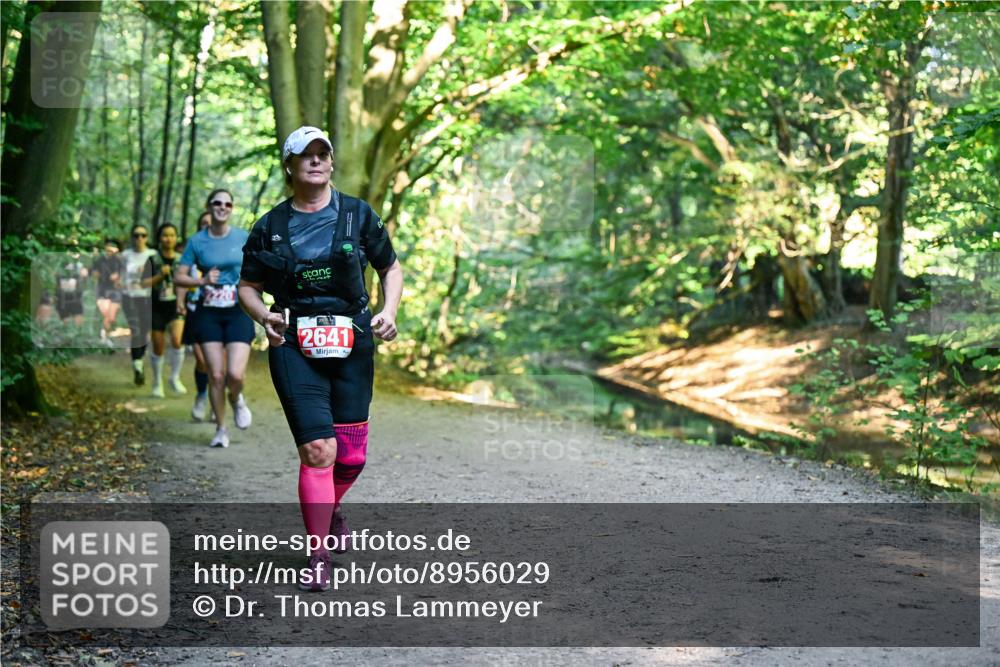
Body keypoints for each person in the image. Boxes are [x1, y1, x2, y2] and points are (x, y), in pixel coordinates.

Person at [239, 126, 403, 591]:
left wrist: (388, 312)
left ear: (331, 163)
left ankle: (329, 507)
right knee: (318, 451)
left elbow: (390, 266)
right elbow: (247, 287)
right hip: (294, 345)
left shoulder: (357, 215)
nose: (315, 161)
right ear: (289, 166)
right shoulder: (269, 228)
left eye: (322, 154)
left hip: (353, 340)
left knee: (351, 458)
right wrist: (263, 315)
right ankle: (317, 555)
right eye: (304, 155)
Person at [175, 190, 255, 448]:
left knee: (234, 374)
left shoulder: (243, 237)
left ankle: (237, 398)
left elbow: (259, 266)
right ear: (209, 206)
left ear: (232, 208)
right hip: (209, 311)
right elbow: (179, 277)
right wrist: (201, 280)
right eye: (217, 203)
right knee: (216, 375)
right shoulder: (197, 241)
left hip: (237, 310)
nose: (222, 207)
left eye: (228, 203)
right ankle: (221, 428)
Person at [142, 223, 187, 397]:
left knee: (177, 340)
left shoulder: (182, 259)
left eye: (172, 235)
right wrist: (160, 276)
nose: (168, 239)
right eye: (165, 235)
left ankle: (174, 377)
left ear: (176, 238)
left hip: (176, 305)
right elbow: (143, 283)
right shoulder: (152, 259)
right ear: (159, 238)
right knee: (158, 346)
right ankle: (157, 381)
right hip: (156, 307)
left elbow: (189, 282)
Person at [182, 212, 214, 420]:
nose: (207, 226)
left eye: (209, 224)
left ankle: (215, 400)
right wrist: (179, 301)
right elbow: (180, 276)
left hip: (221, 313)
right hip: (195, 311)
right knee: (202, 361)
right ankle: (201, 395)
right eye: (203, 223)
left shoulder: (228, 251)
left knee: (219, 363)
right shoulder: (192, 250)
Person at [121, 224, 157, 384]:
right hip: (129, 296)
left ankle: (139, 361)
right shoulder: (125, 255)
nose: (139, 239)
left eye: (143, 235)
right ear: (132, 237)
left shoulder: (153, 254)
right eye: (136, 235)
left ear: (147, 237)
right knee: (135, 330)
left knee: (144, 332)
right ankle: (137, 367)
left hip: (147, 297)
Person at [92, 239, 123, 347]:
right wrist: (97, 274)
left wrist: (118, 277)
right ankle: (104, 337)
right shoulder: (99, 260)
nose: (110, 249)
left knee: (112, 316)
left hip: (115, 291)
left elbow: (124, 274)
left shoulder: (119, 260)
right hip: (103, 290)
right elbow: (93, 272)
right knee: (105, 313)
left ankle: (107, 336)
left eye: (113, 247)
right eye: (108, 247)